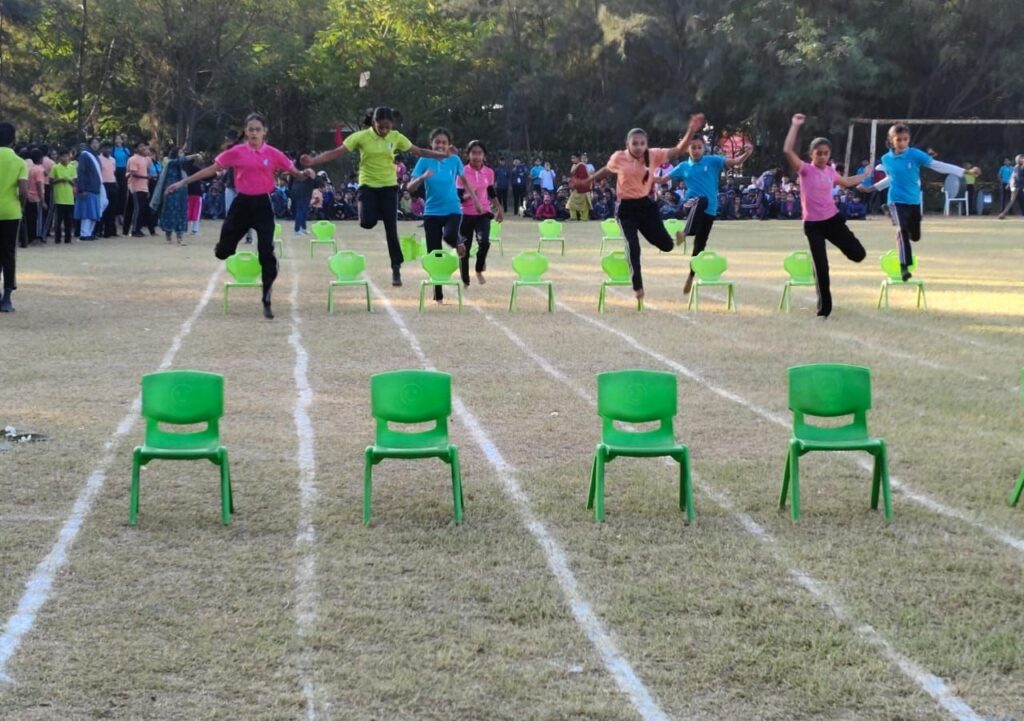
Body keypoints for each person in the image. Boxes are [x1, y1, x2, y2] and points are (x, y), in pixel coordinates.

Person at [165, 112, 314, 319]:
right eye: (250, 129)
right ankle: (224, 247)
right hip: (241, 204)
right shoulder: (236, 152)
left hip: (262, 204)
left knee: (266, 253)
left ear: (264, 132)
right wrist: (182, 182)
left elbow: (296, 173)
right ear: (246, 131)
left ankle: (267, 298)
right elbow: (211, 170)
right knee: (223, 252)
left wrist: (306, 174)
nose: (254, 133)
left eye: (258, 129)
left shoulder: (273, 153)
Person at [301, 106, 451, 287]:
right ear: (373, 123)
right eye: (381, 127)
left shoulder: (396, 137)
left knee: (391, 229)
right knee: (367, 222)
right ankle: (373, 209)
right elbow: (337, 152)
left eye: (388, 127)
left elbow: (419, 151)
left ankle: (396, 268)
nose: (385, 130)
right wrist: (313, 161)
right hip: (368, 187)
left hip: (389, 187)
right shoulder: (361, 137)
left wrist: (442, 155)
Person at [572, 113, 705, 299]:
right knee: (633, 246)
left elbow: (679, 149)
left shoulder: (654, 155)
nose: (639, 147)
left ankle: (650, 233)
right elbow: (606, 170)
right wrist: (587, 180)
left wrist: (691, 130)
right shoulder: (619, 157)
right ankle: (638, 286)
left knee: (667, 245)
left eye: (642, 143)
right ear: (628, 144)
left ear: (646, 144)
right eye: (635, 143)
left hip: (646, 207)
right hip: (626, 209)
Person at [783, 113, 872, 318]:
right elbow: (787, 150)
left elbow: (846, 182)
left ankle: (839, 251)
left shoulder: (831, 171)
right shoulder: (805, 170)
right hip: (813, 225)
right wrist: (795, 125)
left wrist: (865, 175)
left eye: (826, 153)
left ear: (829, 155)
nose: (822, 156)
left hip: (833, 221)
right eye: (819, 153)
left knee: (858, 254)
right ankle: (824, 309)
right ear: (811, 154)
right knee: (821, 267)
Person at [866, 124, 964, 280]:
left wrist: (963, 171)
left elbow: (938, 166)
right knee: (902, 231)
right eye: (898, 140)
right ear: (891, 141)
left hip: (913, 201)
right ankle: (904, 267)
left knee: (915, 236)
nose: (902, 143)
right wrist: (873, 188)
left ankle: (890, 213)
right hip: (896, 200)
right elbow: (892, 178)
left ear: (909, 140)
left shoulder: (915, 155)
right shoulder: (886, 159)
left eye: (905, 139)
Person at [666, 121, 753, 293]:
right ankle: (685, 233)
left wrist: (747, 154)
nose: (696, 150)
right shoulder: (683, 167)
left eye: (699, 147)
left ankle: (690, 276)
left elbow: (735, 162)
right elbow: (663, 179)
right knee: (702, 200)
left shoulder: (713, 161)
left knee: (700, 245)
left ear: (704, 148)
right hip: (691, 204)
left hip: (710, 210)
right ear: (688, 149)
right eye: (693, 148)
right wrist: (646, 176)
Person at [407, 127, 483, 303]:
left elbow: (466, 182)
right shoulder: (424, 160)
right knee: (435, 254)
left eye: (444, 142)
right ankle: (438, 294)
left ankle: (458, 243)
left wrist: (476, 201)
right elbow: (410, 187)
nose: (440, 145)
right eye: (437, 142)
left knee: (449, 235)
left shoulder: (454, 160)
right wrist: (422, 177)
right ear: (431, 144)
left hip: (452, 209)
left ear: (449, 145)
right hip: (431, 213)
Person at [455, 139, 503, 287]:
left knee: (484, 242)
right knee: (465, 248)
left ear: (484, 155)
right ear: (468, 155)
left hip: (483, 213)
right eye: (473, 153)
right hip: (465, 214)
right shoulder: (462, 172)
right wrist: (470, 194)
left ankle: (478, 268)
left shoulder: (489, 172)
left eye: (479, 153)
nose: (476, 156)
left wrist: (499, 208)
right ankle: (465, 280)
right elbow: (458, 197)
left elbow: (491, 191)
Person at [0, 122, 27, 312]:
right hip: (10, 212)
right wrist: (21, 206)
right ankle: (7, 298)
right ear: (13, 140)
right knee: (8, 254)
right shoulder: (19, 162)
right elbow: (23, 190)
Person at [153, 145, 197, 245]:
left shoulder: (182, 167)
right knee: (170, 213)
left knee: (181, 213)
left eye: (182, 152)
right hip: (171, 192)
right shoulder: (170, 162)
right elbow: (181, 159)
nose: (182, 154)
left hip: (182, 193)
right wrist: (194, 155)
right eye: (180, 152)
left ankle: (180, 237)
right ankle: (168, 235)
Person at [74, 138, 106, 241]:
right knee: (87, 212)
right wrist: (82, 188)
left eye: (97, 142)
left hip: (96, 187)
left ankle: (90, 232)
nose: (96, 145)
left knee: (95, 211)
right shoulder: (85, 155)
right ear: (90, 144)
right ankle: (84, 233)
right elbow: (81, 172)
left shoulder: (95, 156)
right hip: (88, 188)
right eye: (94, 143)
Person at [126, 141, 155, 237]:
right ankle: (134, 230)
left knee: (144, 209)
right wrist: (146, 177)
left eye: (144, 146)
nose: (143, 148)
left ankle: (145, 229)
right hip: (136, 187)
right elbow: (133, 173)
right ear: (136, 149)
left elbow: (149, 170)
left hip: (144, 187)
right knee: (138, 209)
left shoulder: (146, 159)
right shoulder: (133, 159)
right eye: (140, 146)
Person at [50, 148, 76, 244]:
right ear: (60, 157)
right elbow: (51, 181)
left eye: (67, 156)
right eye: (63, 156)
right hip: (59, 198)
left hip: (69, 198)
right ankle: (57, 239)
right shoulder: (55, 167)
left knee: (68, 220)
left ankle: (68, 239)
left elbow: (74, 182)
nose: (65, 158)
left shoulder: (72, 167)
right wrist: (60, 180)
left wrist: (69, 180)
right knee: (58, 220)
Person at [24, 148, 47, 244]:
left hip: (28, 196)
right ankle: (36, 237)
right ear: (40, 158)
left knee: (30, 218)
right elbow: (39, 185)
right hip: (36, 198)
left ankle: (29, 237)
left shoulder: (29, 169)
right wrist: (43, 201)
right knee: (37, 219)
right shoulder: (39, 170)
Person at [97, 141, 118, 237]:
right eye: (106, 148)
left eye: (109, 148)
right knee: (103, 208)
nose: (108, 150)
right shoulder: (98, 159)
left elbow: (114, 172)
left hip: (112, 184)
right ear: (102, 149)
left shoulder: (113, 160)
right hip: (103, 184)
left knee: (112, 208)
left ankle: (110, 231)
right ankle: (99, 230)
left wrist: (116, 183)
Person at [997, 154, 1024, 219]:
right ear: (1017, 160)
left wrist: (1009, 184)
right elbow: (1018, 177)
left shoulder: (1019, 167)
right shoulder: (1017, 167)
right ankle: (1002, 214)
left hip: (1018, 186)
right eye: (1021, 158)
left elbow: (1012, 176)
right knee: (1012, 201)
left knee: (1013, 201)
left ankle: (1002, 214)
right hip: (1017, 186)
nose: (1023, 159)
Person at [567, 154, 592, 221]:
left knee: (583, 204)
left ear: (578, 158)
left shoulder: (581, 165)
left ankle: (582, 218)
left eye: (574, 158)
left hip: (581, 188)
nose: (572, 160)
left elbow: (583, 177)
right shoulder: (575, 165)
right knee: (572, 203)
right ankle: (575, 217)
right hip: (578, 188)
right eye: (571, 158)